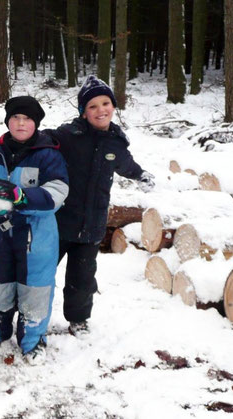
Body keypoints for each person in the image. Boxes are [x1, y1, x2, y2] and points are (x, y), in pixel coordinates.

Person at [46, 75, 155, 336]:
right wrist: (2, 146)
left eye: (105, 103)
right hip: (60, 223)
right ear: (83, 112)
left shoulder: (116, 141)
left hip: (93, 226)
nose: (100, 110)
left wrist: (140, 175)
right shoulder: (67, 136)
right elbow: (36, 141)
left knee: (82, 280)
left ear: (114, 107)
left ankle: (78, 320)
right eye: (92, 106)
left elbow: (125, 163)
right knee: (40, 274)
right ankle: (32, 314)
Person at [0, 96, 69, 364]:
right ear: (8, 121)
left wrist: (21, 196)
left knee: (34, 289)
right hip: (1, 235)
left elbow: (57, 192)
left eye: (27, 119)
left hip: (36, 239)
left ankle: (32, 342)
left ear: (36, 124)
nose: (20, 123)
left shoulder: (49, 154)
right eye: (15, 118)